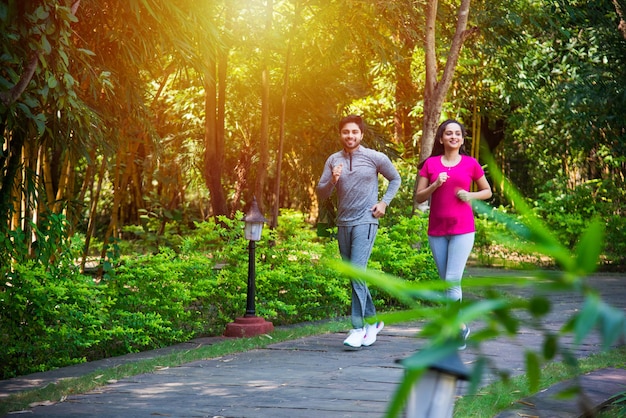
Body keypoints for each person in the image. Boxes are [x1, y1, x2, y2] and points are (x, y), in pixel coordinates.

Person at [316, 115, 401, 348]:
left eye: (354, 132)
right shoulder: (333, 160)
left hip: (366, 220)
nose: (350, 136)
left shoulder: (375, 157)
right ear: (340, 134)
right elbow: (321, 193)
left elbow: (395, 179)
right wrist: (333, 179)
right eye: (346, 132)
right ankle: (373, 321)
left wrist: (384, 203)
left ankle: (357, 327)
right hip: (343, 222)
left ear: (361, 134)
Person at [415, 119, 492, 350]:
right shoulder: (430, 164)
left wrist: (470, 196)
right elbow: (419, 197)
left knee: (452, 280)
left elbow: (487, 191)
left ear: (462, 139)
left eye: (457, 133)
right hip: (437, 230)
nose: (453, 137)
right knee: (446, 283)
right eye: (448, 133)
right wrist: (435, 185)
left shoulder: (471, 163)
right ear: (441, 138)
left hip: (463, 230)